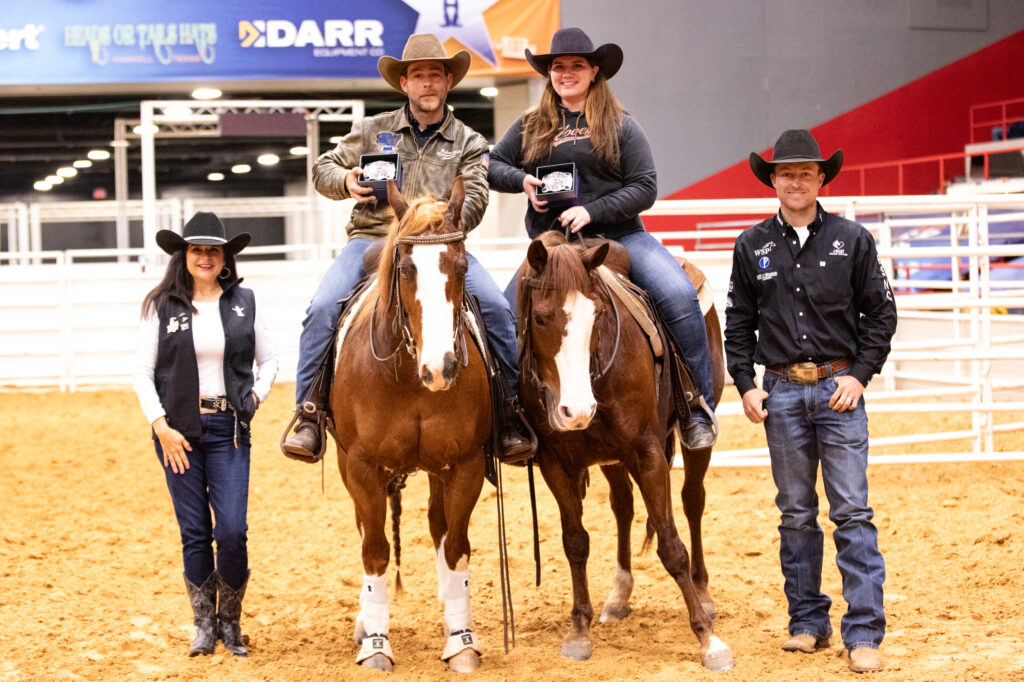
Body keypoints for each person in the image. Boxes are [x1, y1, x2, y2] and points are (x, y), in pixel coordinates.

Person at [282, 33, 533, 464]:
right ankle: (308, 411)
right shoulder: (371, 130)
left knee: (495, 309)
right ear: (405, 84)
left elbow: (473, 200)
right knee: (322, 308)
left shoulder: (469, 142)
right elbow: (323, 168)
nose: (428, 84)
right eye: (418, 76)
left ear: (448, 81)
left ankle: (509, 412)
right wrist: (346, 182)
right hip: (370, 239)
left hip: (439, 246)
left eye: (436, 75)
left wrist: (435, 226)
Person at [487, 27, 716, 449]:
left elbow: (645, 186)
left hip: (621, 238)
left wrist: (593, 210)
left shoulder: (622, 126)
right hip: (553, 246)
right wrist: (523, 180)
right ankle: (511, 416)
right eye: (558, 67)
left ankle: (694, 405)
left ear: (594, 71)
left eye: (576, 65)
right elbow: (492, 165)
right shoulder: (531, 125)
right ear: (549, 74)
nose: (566, 73)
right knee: (502, 316)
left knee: (680, 296)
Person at [724, 129, 897, 674]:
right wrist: (746, 383)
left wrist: (861, 375)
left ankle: (863, 631)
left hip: (838, 388)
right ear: (771, 180)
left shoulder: (853, 239)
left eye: (805, 172)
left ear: (822, 179)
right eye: (785, 172)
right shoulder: (753, 245)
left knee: (851, 511)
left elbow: (881, 314)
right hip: (780, 392)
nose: (795, 180)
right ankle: (807, 622)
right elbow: (738, 323)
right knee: (796, 513)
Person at [134, 211, 278, 658]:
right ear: (184, 255)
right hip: (178, 433)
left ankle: (230, 622)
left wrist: (254, 398)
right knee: (194, 531)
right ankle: (203, 623)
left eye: (213, 250)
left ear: (224, 256)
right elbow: (142, 372)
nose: (205, 256)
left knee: (232, 530)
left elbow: (270, 360)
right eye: (197, 249)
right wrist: (161, 427)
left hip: (229, 429)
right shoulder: (163, 305)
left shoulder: (244, 302)